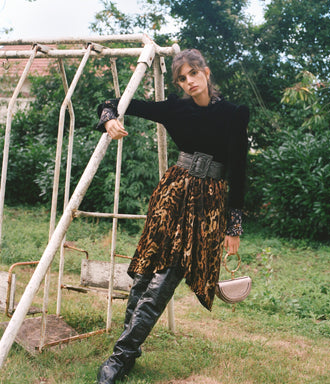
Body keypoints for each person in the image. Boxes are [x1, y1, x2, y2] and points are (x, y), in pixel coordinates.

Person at [95, 49, 249, 384]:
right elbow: (114, 102)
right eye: (182, 78)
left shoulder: (234, 114)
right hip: (172, 195)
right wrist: (108, 119)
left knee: (167, 277)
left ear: (206, 72)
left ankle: (118, 359)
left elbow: (239, 171)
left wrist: (233, 226)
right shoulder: (175, 109)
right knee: (144, 275)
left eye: (193, 73)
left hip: (207, 205)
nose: (189, 81)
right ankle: (128, 354)